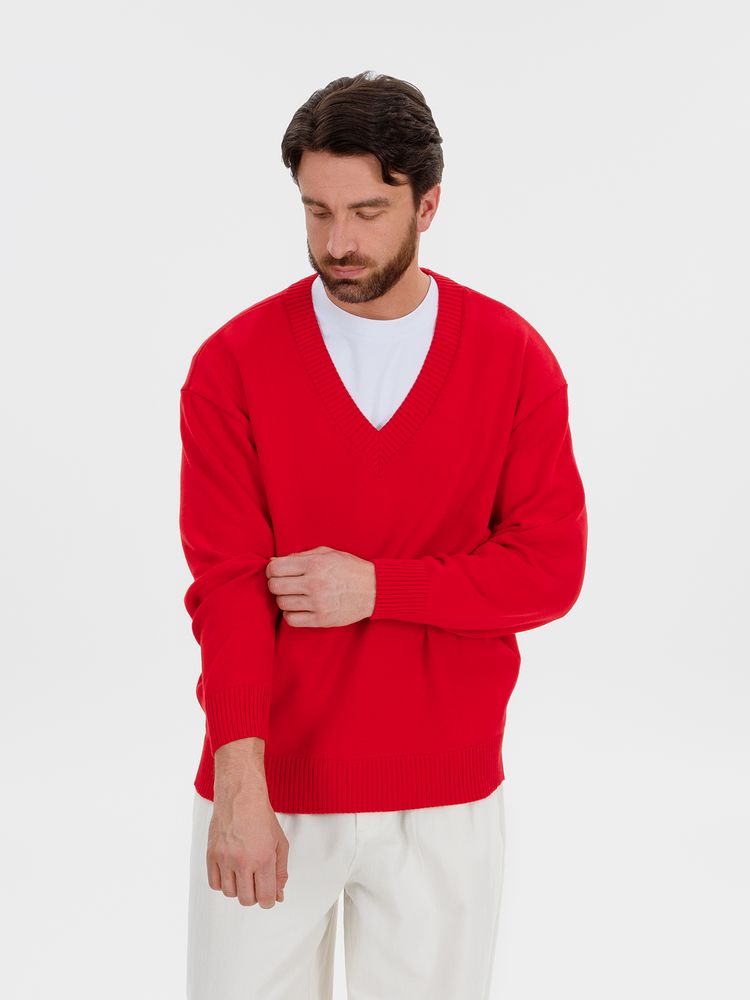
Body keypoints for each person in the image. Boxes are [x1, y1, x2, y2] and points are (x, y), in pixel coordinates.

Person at [179, 70, 588, 1000]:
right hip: (271, 787)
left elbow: (549, 568)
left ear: (427, 204)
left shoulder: (513, 360)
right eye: (316, 211)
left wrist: (378, 587)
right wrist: (240, 781)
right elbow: (227, 588)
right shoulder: (233, 365)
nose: (338, 243)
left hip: (445, 796)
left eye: (367, 211)